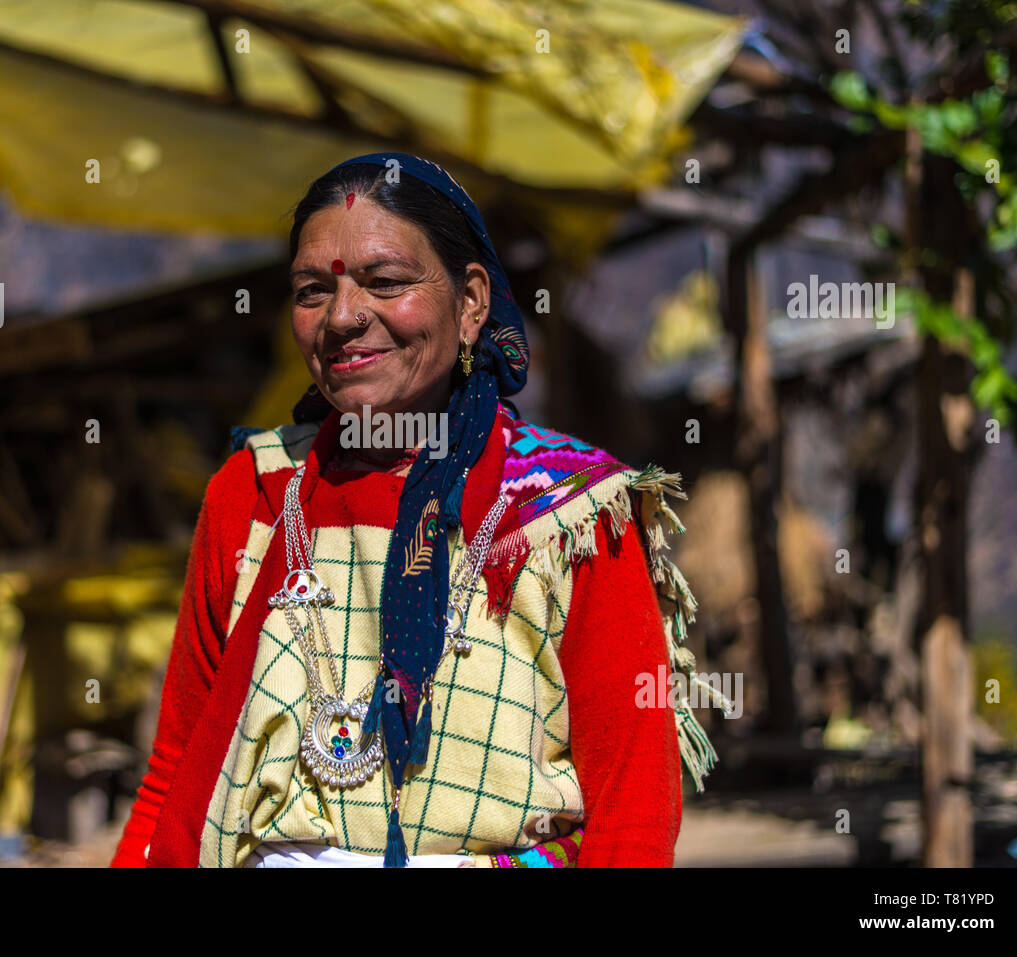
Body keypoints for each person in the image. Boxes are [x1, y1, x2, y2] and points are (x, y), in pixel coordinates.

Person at [111, 152, 716, 868]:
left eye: (385, 282)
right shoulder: (256, 495)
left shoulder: (571, 514)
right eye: (312, 290)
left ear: (470, 304)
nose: (341, 318)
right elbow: (175, 769)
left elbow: (634, 815)